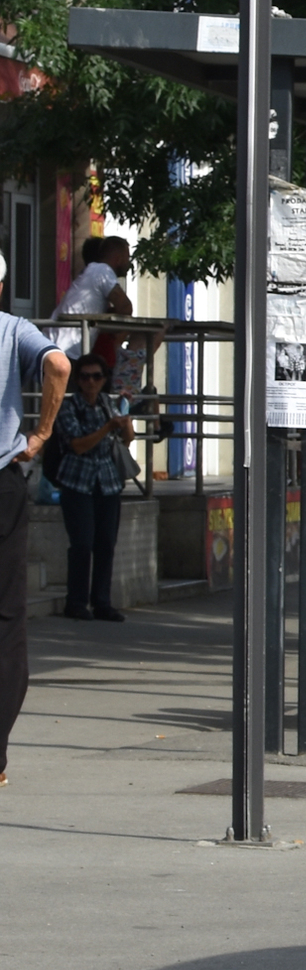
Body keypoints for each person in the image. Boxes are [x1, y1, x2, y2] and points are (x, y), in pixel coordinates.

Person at [0, 272, 72, 786]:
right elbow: (59, 363)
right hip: (1, 485)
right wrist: (43, 430)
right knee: (6, 618)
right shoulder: (11, 330)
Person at [53, 354, 131, 622]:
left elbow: (126, 440)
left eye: (96, 376)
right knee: (82, 544)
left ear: (104, 379)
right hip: (78, 482)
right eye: (85, 377)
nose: (91, 382)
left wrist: (126, 421)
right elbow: (78, 445)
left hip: (107, 483)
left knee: (106, 544)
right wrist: (107, 427)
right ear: (77, 380)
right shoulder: (68, 407)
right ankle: (76, 602)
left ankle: (102, 602)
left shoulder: (109, 405)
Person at [55, 235, 134, 374]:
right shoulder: (102, 271)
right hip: (66, 352)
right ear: (119, 258)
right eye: (127, 257)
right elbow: (126, 307)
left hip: (63, 350)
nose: (129, 263)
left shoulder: (93, 271)